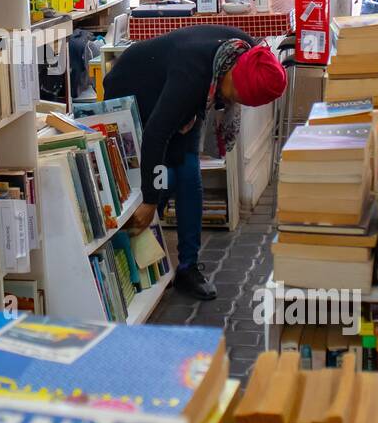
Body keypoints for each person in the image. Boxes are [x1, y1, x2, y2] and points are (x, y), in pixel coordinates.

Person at [102, 25, 288, 300]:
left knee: (188, 175)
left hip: (181, 93)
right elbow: (155, 134)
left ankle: (187, 268)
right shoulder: (193, 77)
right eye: (235, 95)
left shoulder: (247, 52)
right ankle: (136, 262)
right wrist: (150, 200)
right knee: (159, 182)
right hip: (133, 91)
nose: (231, 101)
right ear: (229, 75)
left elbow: (211, 97)